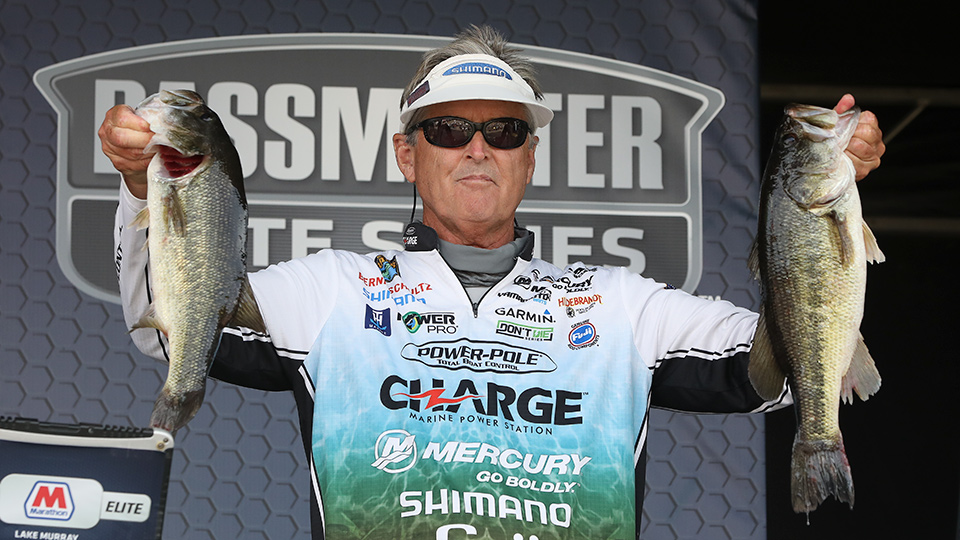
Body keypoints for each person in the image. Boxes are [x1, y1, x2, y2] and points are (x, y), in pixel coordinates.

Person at [100, 25, 885, 540]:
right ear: (408, 155)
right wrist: (144, 191)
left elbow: (777, 364)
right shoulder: (333, 290)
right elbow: (172, 323)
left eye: (504, 130)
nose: (478, 149)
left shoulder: (622, 306)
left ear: (529, 157)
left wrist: (819, 202)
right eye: (449, 128)